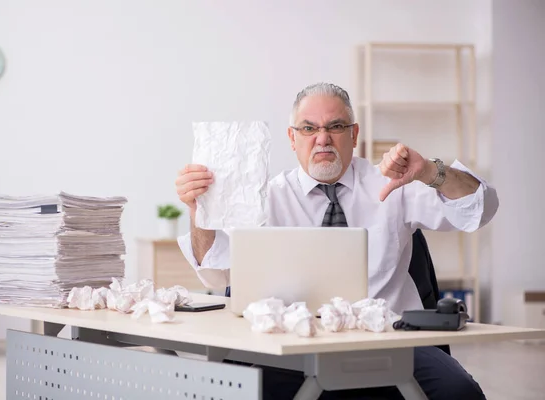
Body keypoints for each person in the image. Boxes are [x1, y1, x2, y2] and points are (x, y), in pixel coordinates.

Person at [174, 82, 498, 399]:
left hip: (388, 338)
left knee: (459, 391)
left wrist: (429, 171)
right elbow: (216, 271)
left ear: (354, 134)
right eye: (308, 128)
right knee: (235, 387)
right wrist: (198, 211)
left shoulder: (391, 182)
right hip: (290, 341)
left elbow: (480, 208)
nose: (323, 139)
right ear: (292, 137)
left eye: (336, 126)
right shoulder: (266, 197)